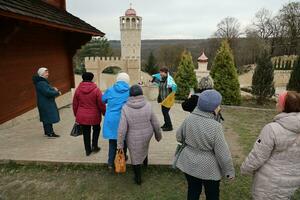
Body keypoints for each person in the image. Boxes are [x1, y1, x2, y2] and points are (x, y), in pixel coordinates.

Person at [175, 89, 235, 200]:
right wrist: (229, 172)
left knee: (193, 190)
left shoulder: (189, 118)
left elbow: (179, 136)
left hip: (189, 164)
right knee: (212, 195)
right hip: (209, 169)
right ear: (214, 108)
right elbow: (223, 153)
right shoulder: (215, 126)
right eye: (218, 105)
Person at [241, 91, 300, 200]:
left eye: (278, 102)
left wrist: (245, 169)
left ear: (284, 107)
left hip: (268, 183)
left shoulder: (272, 129)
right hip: (291, 182)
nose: (276, 104)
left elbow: (258, 156)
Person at [117, 85, 162, 185]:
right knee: (144, 147)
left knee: (135, 156)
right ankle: (145, 164)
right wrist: (158, 136)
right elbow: (155, 123)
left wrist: (119, 145)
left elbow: (122, 128)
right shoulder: (148, 105)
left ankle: (138, 179)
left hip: (132, 135)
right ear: (141, 93)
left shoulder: (125, 108)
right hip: (147, 134)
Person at [72, 72, 106, 156]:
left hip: (82, 115)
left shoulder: (78, 90)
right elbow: (101, 103)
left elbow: (75, 104)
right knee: (96, 129)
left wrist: (77, 114)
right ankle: (94, 146)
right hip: (94, 115)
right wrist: (104, 112)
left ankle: (88, 150)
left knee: (86, 132)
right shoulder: (96, 90)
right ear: (92, 79)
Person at [102, 72, 130, 170]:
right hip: (124, 119)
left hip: (111, 119)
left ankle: (110, 163)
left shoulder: (110, 90)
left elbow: (103, 100)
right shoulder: (129, 91)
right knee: (124, 140)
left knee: (112, 142)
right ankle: (122, 158)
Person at [32, 67, 61, 138]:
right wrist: (57, 92)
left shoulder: (42, 82)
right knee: (48, 118)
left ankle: (47, 132)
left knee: (46, 117)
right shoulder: (42, 83)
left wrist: (52, 88)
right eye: (46, 73)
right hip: (46, 103)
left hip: (44, 102)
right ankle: (50, 133)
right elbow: (47, 93)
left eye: (47, 72)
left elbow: (47, 90)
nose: (48, 74)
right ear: (42, 74)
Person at [151, 67, 177, 131]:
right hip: (163, 99)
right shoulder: (161, 79)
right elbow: (155, 82)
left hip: (168, 99)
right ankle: (166, 124)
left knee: (165, 112)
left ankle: (169, 126)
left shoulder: (169, 80)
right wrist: (153, 79)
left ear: (166, 73)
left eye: (162, 72)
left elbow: (174, 87)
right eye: (160, 72)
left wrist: (172, 94)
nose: (161, 73)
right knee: (164, 112)